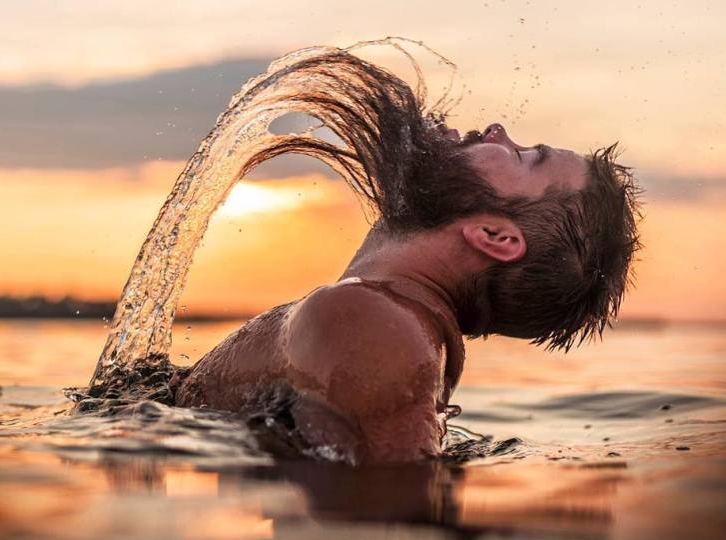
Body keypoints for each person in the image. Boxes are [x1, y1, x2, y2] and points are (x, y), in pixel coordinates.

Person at [166, 52, 642, 464]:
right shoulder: (382, 322)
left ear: (494, 235)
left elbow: (383, 516)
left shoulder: (373, 325)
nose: (497, 131)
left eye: (522, 156)